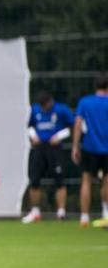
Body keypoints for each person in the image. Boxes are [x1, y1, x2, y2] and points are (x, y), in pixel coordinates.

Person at [22, 92, 73, 223]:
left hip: (55, 148)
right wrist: (33, 136)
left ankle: (61, 212)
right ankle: (35, 212)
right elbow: (29, 126)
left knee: (59, 180)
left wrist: (59, 136)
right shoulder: (35, 109)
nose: (44, 108)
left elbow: (71, 127)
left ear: (51, 102)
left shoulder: (61, 109)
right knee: (34, 180)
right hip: (39, 148)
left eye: (46, 105)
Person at [71, 74, 108, 228]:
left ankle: (84, 217)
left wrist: (75, 146)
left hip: (89, 147)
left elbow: (78, 124)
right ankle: (106, 214)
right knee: (106, 181)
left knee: (86, 181)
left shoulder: (85, 102)